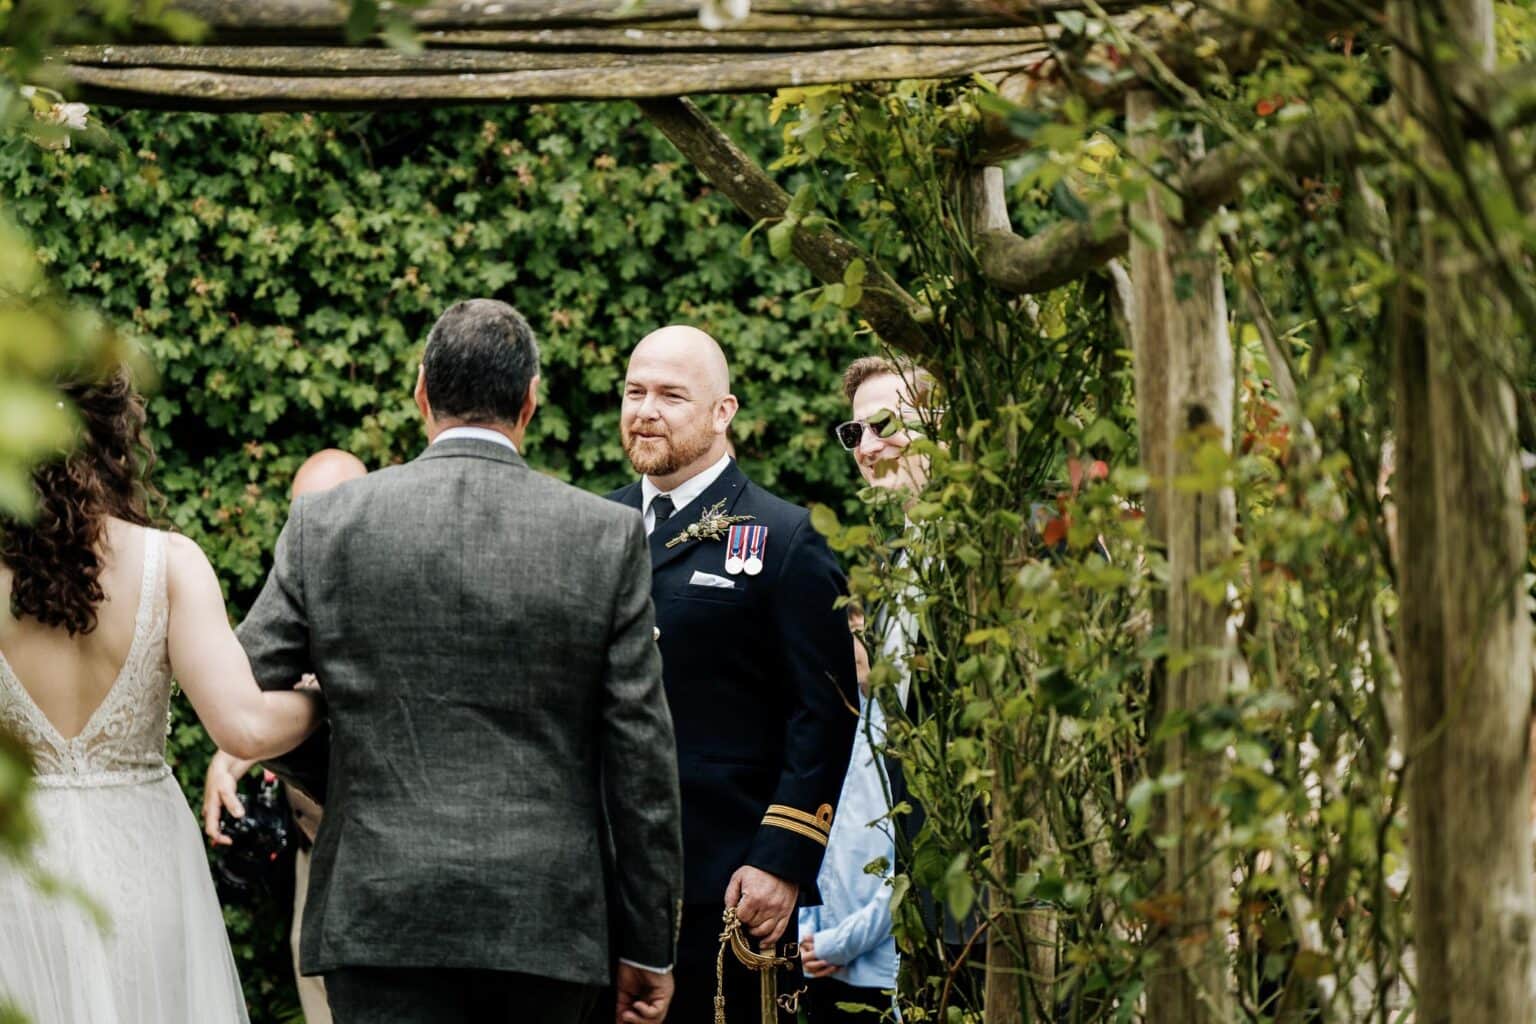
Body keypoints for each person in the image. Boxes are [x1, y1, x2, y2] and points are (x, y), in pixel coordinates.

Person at [238, 299, 683, 1024]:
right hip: (546, 917)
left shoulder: (327, 523)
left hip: (378, 907)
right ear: (530, 402)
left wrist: (347, 755)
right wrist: (649, 944)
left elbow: (247, 689)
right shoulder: (605, 536)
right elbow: (642, 758)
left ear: (421, 391)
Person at [0, 369, 323, 1024]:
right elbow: (245, 728)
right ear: (116, 437)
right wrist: (325, 699)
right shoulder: (170, 564)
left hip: (21, 869)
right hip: (143, 858)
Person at [607, 324, 859, 1022]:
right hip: (602, 880)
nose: (646, 410)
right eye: (634, 392)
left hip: (724, 887)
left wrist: (781, 858)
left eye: (670, 395)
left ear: (723, 413)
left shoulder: (784, 540)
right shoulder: (595, 525)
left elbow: (826, 711)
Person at [202, 447, 369, 1024]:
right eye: (302, 516)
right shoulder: (293, 594)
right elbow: (251, 692)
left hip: (378, 848)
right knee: (312, 978)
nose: (315, 530)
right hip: (312, 845)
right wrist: (229, 758)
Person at [796, 606, 898, 1020]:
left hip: (875, 967)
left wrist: (840, 943)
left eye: (860, 635)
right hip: (813, 963)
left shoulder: (899, 737)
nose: (853, 647)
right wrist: (805, 940)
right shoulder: (823, 727)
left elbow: (903, 875)